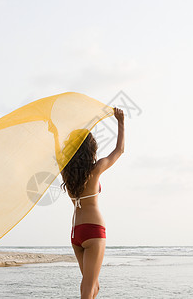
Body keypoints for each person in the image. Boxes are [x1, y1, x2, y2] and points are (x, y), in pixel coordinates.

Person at [60, 107, 124, 298]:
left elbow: (57, 152)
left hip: (76, 233)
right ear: (91, 149)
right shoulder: (95, 170)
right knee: (88, 288)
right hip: (93, 230)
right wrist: (120, 121)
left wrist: (56, 132)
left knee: (93, 286)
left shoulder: (67, 173)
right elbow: (119, 150)